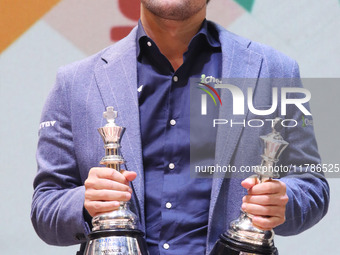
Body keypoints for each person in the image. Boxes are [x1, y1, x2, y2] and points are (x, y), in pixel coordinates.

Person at [31, 1, 330, 254]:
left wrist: (281, 201)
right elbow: (45, 206)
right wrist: (85, 202)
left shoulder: (274, 69)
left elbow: (313, 184)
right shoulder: (75, 82)